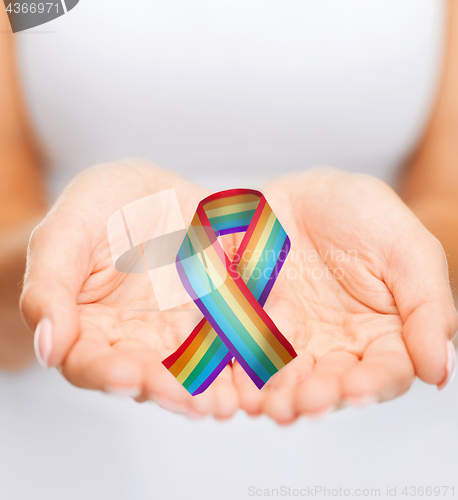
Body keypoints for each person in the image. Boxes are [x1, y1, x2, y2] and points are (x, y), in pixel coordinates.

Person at [1, 1, 458, 498]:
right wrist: (55, 268)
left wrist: (408, 262)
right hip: (68, 454)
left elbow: (447, 199)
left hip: (391, 445)